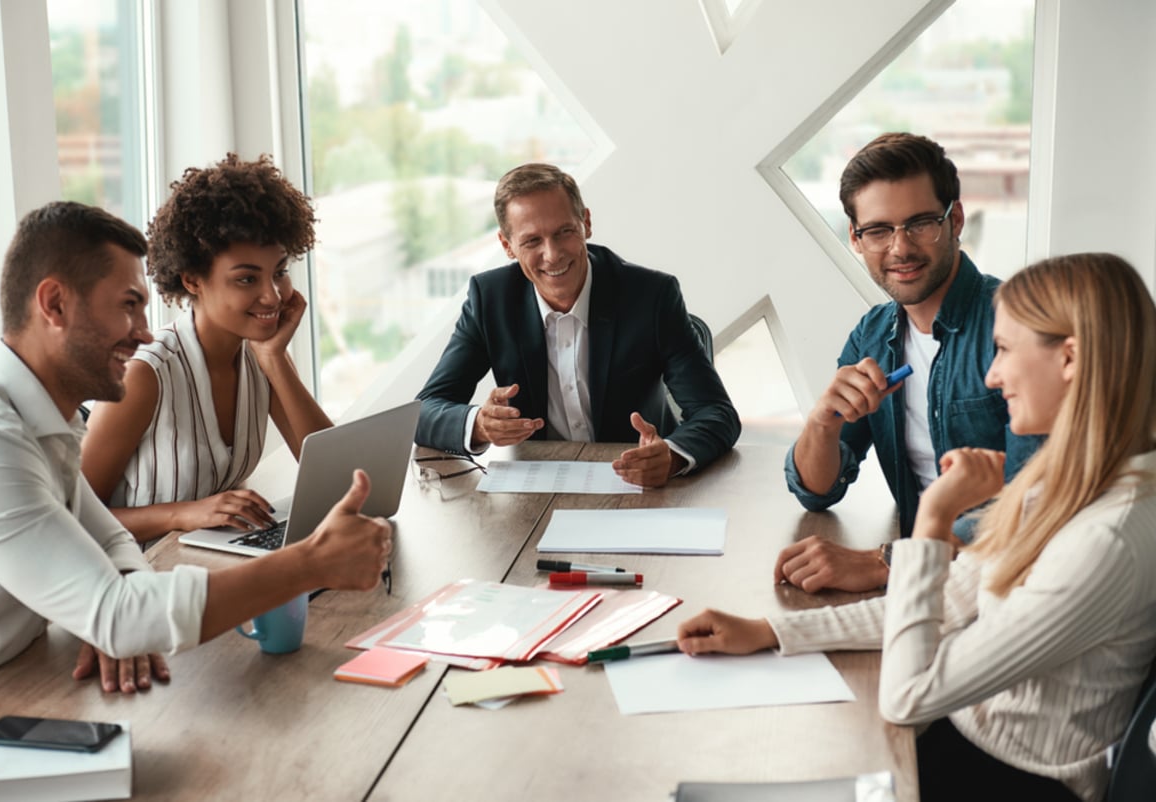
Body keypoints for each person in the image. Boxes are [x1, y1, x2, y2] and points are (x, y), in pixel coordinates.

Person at [679, 253, 1156, 802]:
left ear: (1069, 359)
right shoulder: (1073, 482)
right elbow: (950, 602)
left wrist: (931, 523)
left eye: (1003, 350)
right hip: (962, 739)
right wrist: (771, 631)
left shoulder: (1105, 537)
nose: (993, 374)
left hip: (1010, 779)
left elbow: (907, 696)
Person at [0, 201, 390, 695]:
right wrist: (309, 563)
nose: (143, 331)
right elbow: (119, 613)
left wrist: (124, 612)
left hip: (13, 679)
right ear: (54, 304)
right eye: (127, 305)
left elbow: (108, 541)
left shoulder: (40, 420)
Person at [779, 133, 1040, 593]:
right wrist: (822, 424)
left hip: (1007, 583)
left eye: (920, 223)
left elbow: (1041, 497)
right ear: (856, 239)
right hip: (924, 582)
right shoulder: (873, 335)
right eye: (878, 230)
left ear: (954, 219)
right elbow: (818, 491)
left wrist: (887, 563)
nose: (900, 248)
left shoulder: (1017, 323)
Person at [414, 163, 740, 487]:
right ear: (507, 246)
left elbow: (716, 412)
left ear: (585, 222)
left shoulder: (652, 296)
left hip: (637, 485)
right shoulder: (489, 300)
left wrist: (671, 456)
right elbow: (424, 410)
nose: (552, 255)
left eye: (564, 232)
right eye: (531, 241)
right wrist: (478, 425)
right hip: (536, 490)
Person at [80, 154, 331, 542]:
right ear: (193, 280)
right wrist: (184, 514)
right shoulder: (145, 375)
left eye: (279, 272)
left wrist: (275, 358)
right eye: (247, 279)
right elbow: (75, 520)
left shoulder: (263, 356)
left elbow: (338, 479)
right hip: (138, 577)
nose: (272, 296)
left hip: (210, 564)